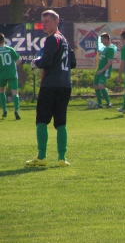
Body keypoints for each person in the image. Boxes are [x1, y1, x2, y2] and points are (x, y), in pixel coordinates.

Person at [26, 10, 76, 167]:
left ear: (56, 22)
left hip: (50, 85)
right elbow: (72, 63)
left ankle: (41, 156)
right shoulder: (65, 41)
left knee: (42, 119)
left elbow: (46, 60)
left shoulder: (52, 39)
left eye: (47, 21)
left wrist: (36, 63)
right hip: (65, 85)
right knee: (61, 122)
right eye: (43, 21)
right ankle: (62, 158)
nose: (44, 24)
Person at [0, 33, 21, 120]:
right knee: (15, 93)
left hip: (1, 74)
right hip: (12, 73)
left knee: (1, 91)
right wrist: (13, 66)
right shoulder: (10, 49)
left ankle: (4, 110)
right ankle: (16, 110)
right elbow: (19, 60)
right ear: (4, 40)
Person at [94, 33, 116, 108]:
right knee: (96, 86)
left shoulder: (110, 49)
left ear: (106, 39)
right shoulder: (105, 48)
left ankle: (108, 102)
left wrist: (102, 70)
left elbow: (110, 62)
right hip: (99, 70)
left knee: (100, 85)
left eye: (102, 40)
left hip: (104, 70)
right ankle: (100, 104)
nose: (101, 41)